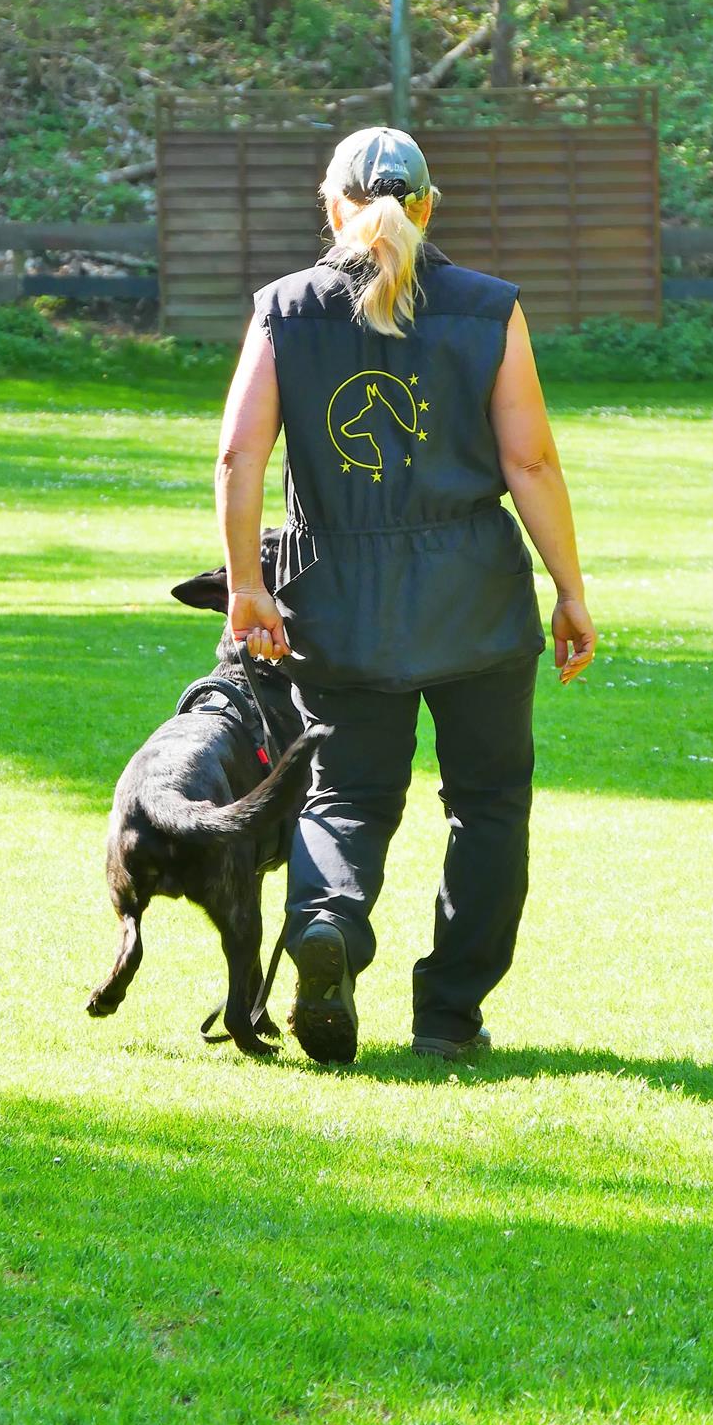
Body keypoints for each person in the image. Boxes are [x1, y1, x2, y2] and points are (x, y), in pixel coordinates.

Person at [215, 124, 595, 1068]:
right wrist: (569, 589)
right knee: (489, 805)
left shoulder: (283, 308)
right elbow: (531, 462)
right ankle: (449, 1018)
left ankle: (329, 926)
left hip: (335, 598)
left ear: (331, 204)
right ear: (428, 206)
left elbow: (238, 456)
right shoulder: (488, 308)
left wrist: (249, 587)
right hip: (476, 600)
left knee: (345, 792)